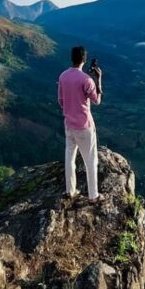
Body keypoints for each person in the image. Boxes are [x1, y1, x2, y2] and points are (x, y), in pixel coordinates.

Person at [57, 44, 104, 203]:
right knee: (91, 161)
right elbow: (97, 100)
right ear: (84, 59)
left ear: (72, 58)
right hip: (84, 126)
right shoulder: (86, 80)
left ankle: (70, 191)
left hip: (69, 124)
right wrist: (99, 80)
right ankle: (93, 196)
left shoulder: (63, 76)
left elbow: (61, 101)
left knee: (69, 158)